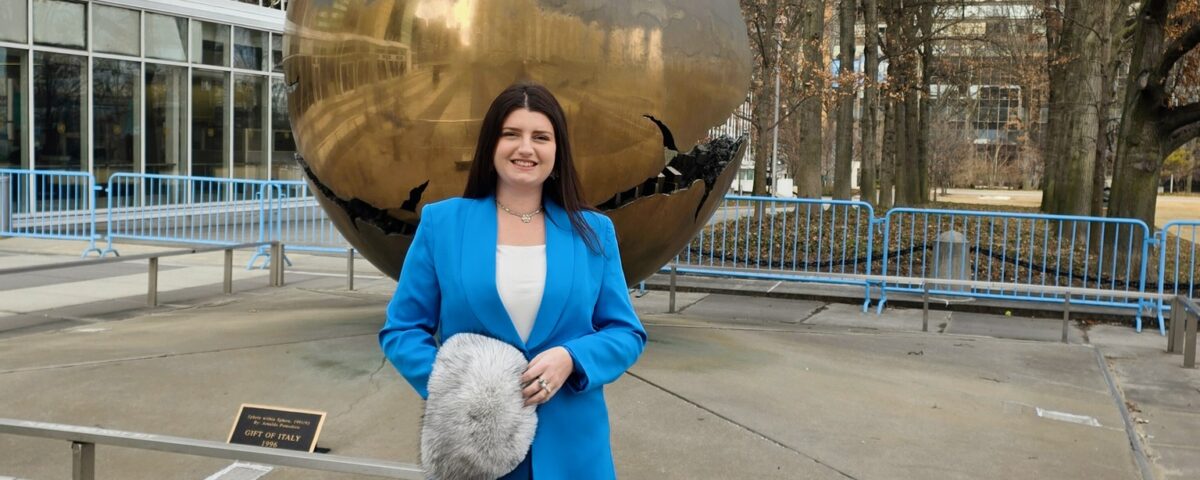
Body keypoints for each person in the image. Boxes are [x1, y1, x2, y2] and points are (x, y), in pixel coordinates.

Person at [379, 82, 648, 479]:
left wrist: (571, 358)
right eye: (511, 134)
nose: (526, 148)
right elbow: (402, 329)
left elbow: (626, 332)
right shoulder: (443, 224)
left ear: (557, 151)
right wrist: (456, 387)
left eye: (540, 137)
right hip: (475, 452)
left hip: (574, 453)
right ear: (491, 145)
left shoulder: (594, 232)